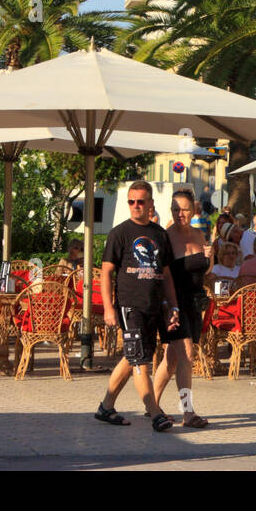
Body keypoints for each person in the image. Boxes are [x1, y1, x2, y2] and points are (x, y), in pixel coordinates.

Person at [95, 181, 181, 433]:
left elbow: (166, 275)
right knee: (140, 360)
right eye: (131, 201)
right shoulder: (119, 233)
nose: (135, 206)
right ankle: (154, 413)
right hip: (129, 305)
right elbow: (106, 273)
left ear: (151, 204)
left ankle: (106, 407)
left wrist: (172, 306)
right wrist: (109, 308)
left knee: (132, 357)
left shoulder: (159, 234)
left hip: (153, 305)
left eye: (140, 201)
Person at [151, 190, 211, 429]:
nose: (180, 214)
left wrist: (210, 257)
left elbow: (205, 270)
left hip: (194, 302)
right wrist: (167, 306)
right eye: (175, 209)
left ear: (193, 209)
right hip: (173, 303)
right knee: (186, 353)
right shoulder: (165, 237)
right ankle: (188, 412)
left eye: (184, 209)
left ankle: (151, 405)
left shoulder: (199, 234)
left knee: (173, 359)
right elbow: (160, 275)